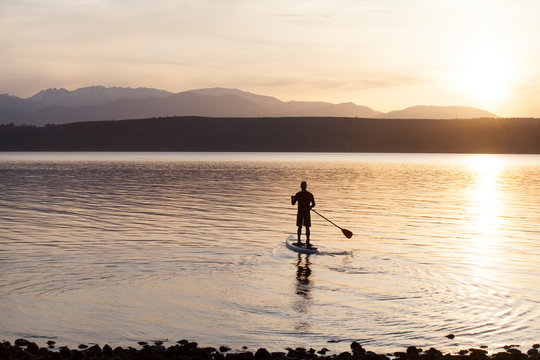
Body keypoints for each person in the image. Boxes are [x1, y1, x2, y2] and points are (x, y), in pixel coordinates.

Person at [291, 181, 316, 247]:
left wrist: (292, 198)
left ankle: (299, 241)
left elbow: (293, 203)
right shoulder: (310, 194)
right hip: (307, 212)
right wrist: (310, 207)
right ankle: (307, 242)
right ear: (306, 186)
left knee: (299, 227)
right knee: (307, 227)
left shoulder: (298, 194)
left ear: (301, 186)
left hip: (300, 212)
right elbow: (313, 204)